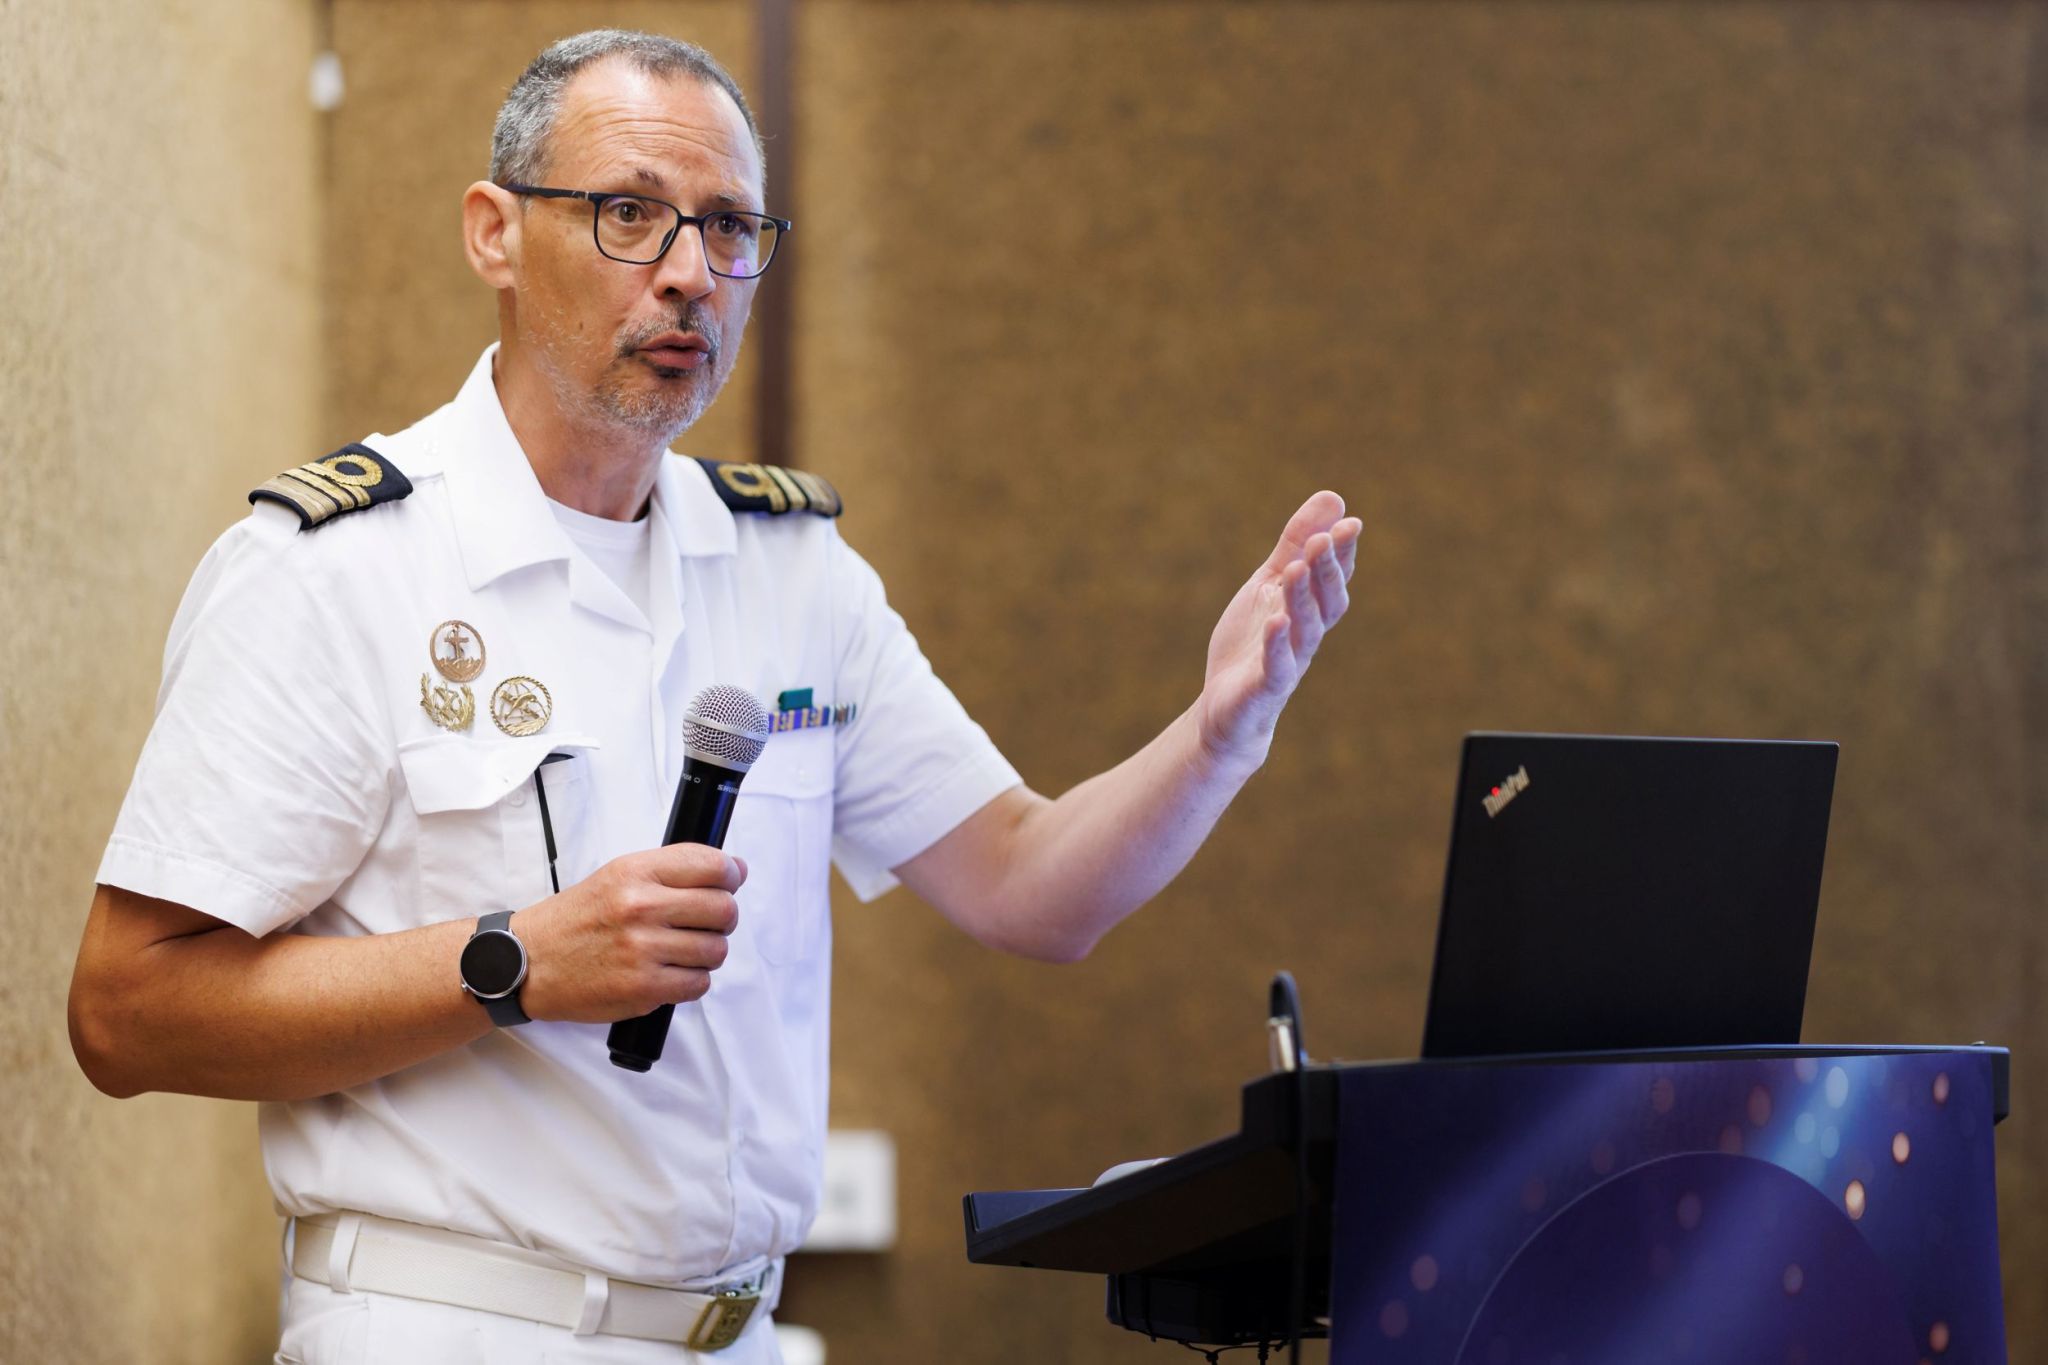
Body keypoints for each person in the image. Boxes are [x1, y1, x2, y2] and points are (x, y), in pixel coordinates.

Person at [66, 28, 1361, 1365]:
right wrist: (515, 962)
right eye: (630, 214)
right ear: (494, 234)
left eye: (731, 227)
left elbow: (1033, 884)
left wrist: (1220, 733)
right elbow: (125, 1009)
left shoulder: (789, 570)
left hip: (740, 1333)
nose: (690, 271)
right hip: (454, 1325)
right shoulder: (340, 570)